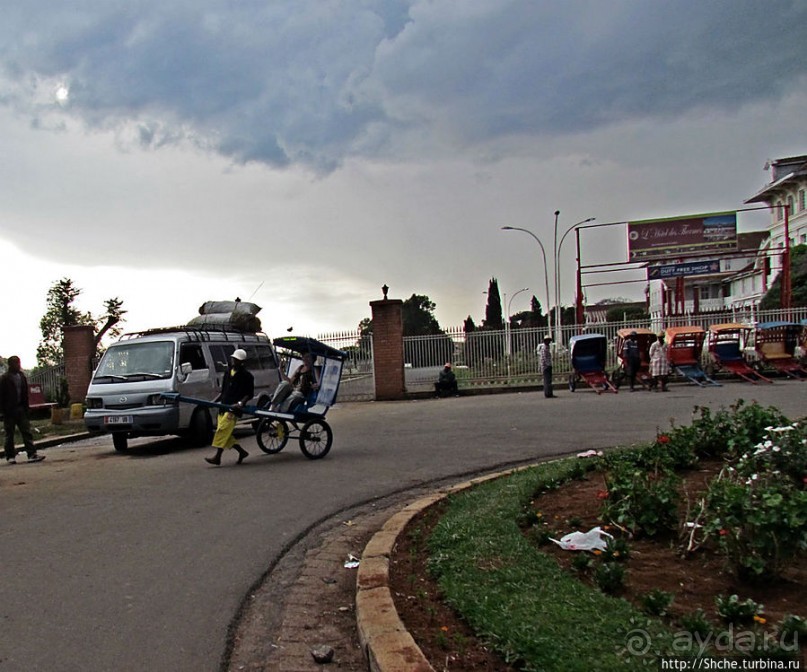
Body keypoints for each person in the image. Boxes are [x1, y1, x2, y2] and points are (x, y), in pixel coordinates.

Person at [205, 349, 253, 466]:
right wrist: (213, 402)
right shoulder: (227, 373)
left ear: (241, 362)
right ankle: (242, 452)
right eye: (233, 359)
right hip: (224, 406)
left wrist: (240, 403)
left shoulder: (246, 376)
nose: (233, 361)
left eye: (236, 360)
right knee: (223, 431)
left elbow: (249, 394)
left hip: (234, 408)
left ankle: (217, 457)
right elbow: (223, 392)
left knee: (222, 430)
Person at [1, 356, 46, 464]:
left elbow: (25, 394)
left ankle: (31, 454)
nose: (18, 365)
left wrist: (26, 408)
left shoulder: (21, 377)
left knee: (26, 432)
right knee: (9, 434)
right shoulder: (4, 378)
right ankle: (10, 456)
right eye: (16, 363)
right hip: (9, 410)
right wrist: (3, 410)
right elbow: (1, 396)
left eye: (19, 363)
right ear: (10, 365)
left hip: (21, 408)